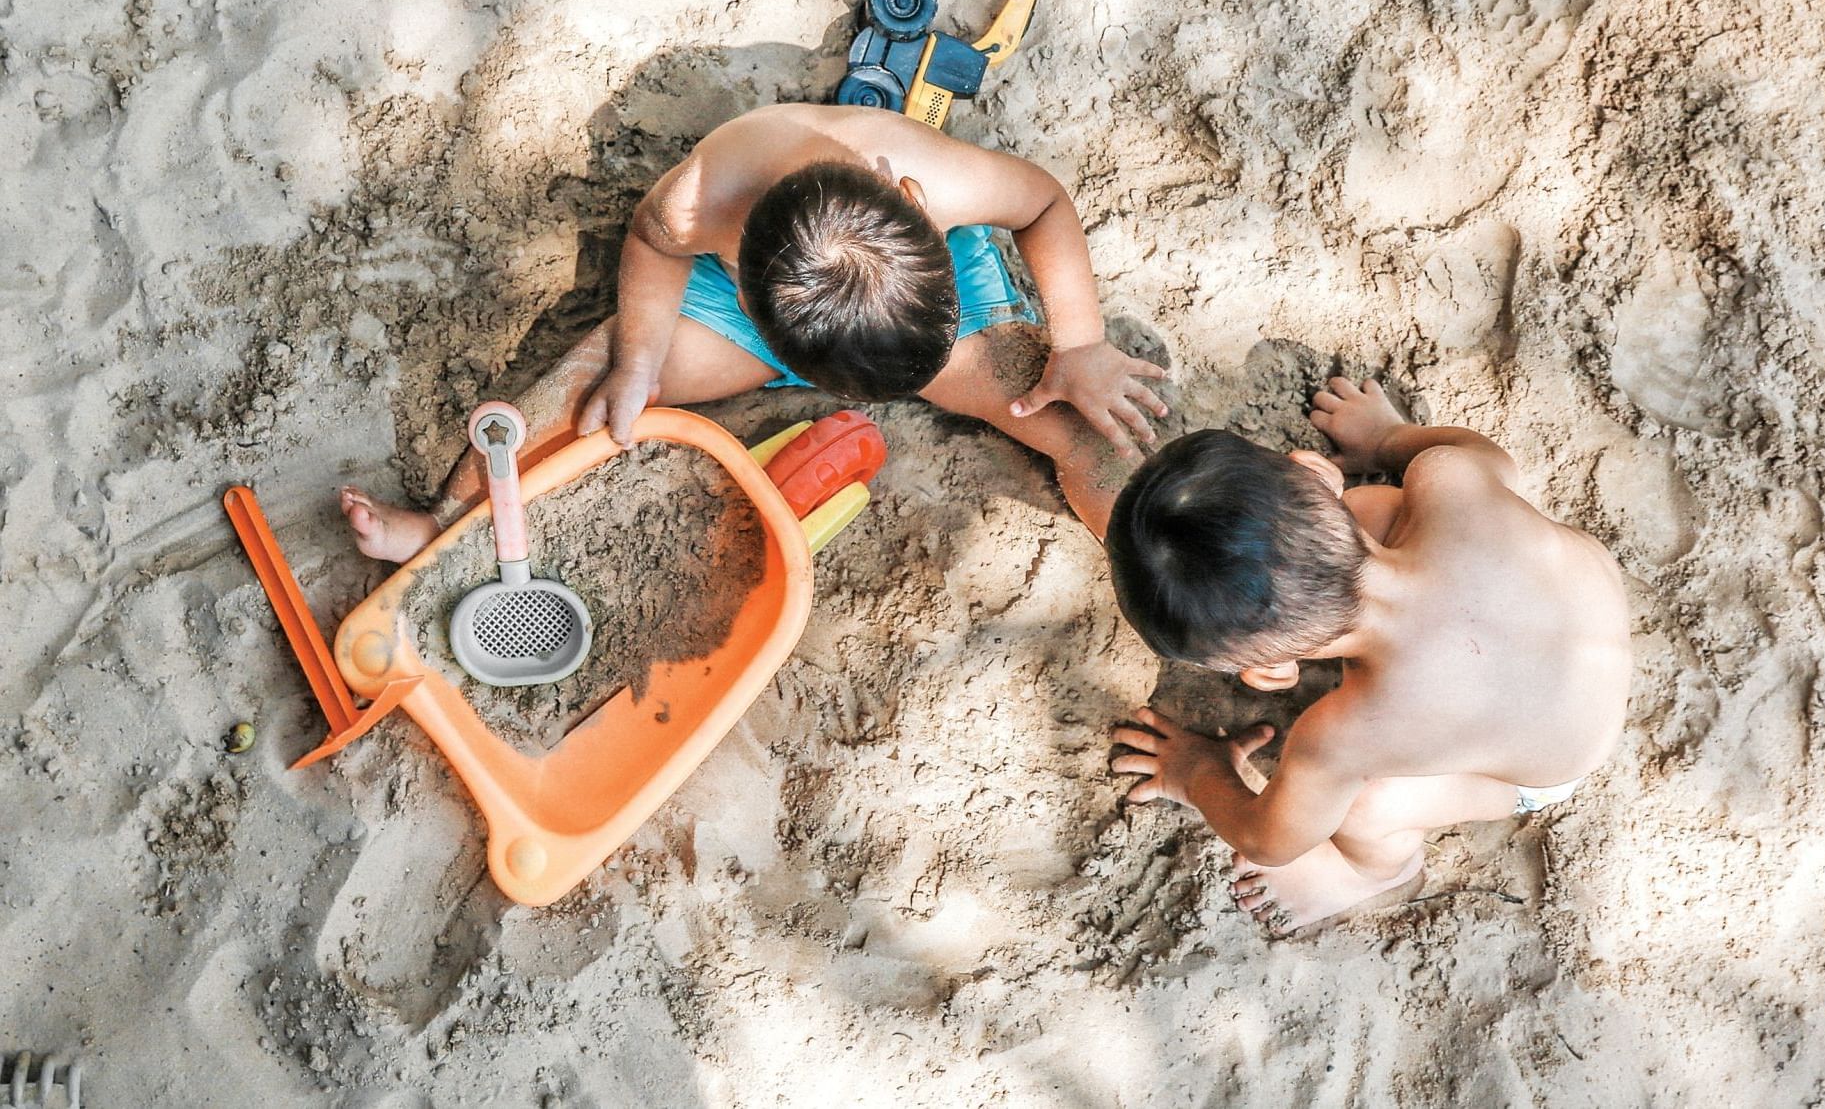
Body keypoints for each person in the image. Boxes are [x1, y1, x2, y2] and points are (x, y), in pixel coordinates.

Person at [340, 102, 1167, 555]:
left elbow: (1045, 203)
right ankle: (444, 520)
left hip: (919, 302)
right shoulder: (701, 197)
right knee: (592, 380)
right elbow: (653, 245)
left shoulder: (942, 181)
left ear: (911, 198)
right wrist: (638, 360)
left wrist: (1083, 343)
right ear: (739, 275)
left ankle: (1139, 549)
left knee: (1090, 433)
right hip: (779, 309)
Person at [1104, 376, 1630, 935]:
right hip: (1588, 628)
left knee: (1367, 809)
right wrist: (1389, 439)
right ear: (1311, 475)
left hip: (1551, 767)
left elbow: (1270, 840)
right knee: (1377, 508)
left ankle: (1370, 871)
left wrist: (1198, 773)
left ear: (1265, 668)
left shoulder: (1345, 734)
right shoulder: (1447, 475)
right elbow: (1490, 456)